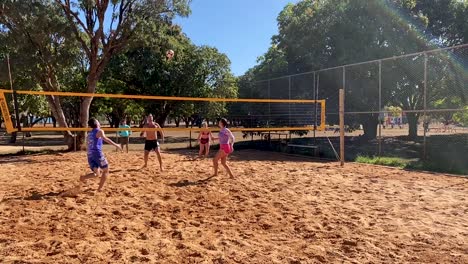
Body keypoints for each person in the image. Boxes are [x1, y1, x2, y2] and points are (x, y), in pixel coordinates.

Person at [80, 118, 122, 192]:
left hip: (90, 155)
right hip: (97, 153)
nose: (99, 122)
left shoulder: (89, 134)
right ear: (96, 123)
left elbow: (87, 145)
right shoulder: (99, 131)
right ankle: (100, 189)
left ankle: (83, 177)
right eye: (98, 121)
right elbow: (106, 139)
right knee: (106, 170)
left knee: (97, 173)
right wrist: (116, 145)